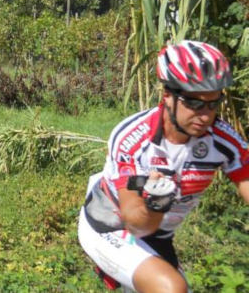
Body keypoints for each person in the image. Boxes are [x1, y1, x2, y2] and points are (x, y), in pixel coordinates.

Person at [78, 40, 249, 292]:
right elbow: (137, 224)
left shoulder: (224, 141)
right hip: (111, 225)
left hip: (159, 236)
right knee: (171, 289)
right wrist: (158, 200)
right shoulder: (133, 139)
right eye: (194, 103)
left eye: (213, 104)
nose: (205, 115)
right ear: (168, 96)